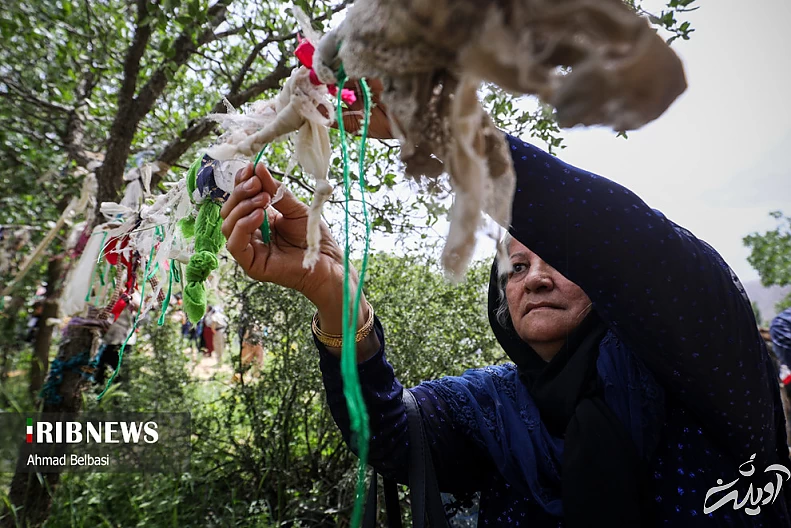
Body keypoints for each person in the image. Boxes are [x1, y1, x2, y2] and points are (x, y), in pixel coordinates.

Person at [220, 97, 791, 525]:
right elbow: (388, 436)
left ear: (601, 275)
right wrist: (337, 302)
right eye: (515, 268)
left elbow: (651, 257)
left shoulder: (695, 369)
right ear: (500, 302)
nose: (535, 276)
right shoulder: (492, 403)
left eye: (557, 261)